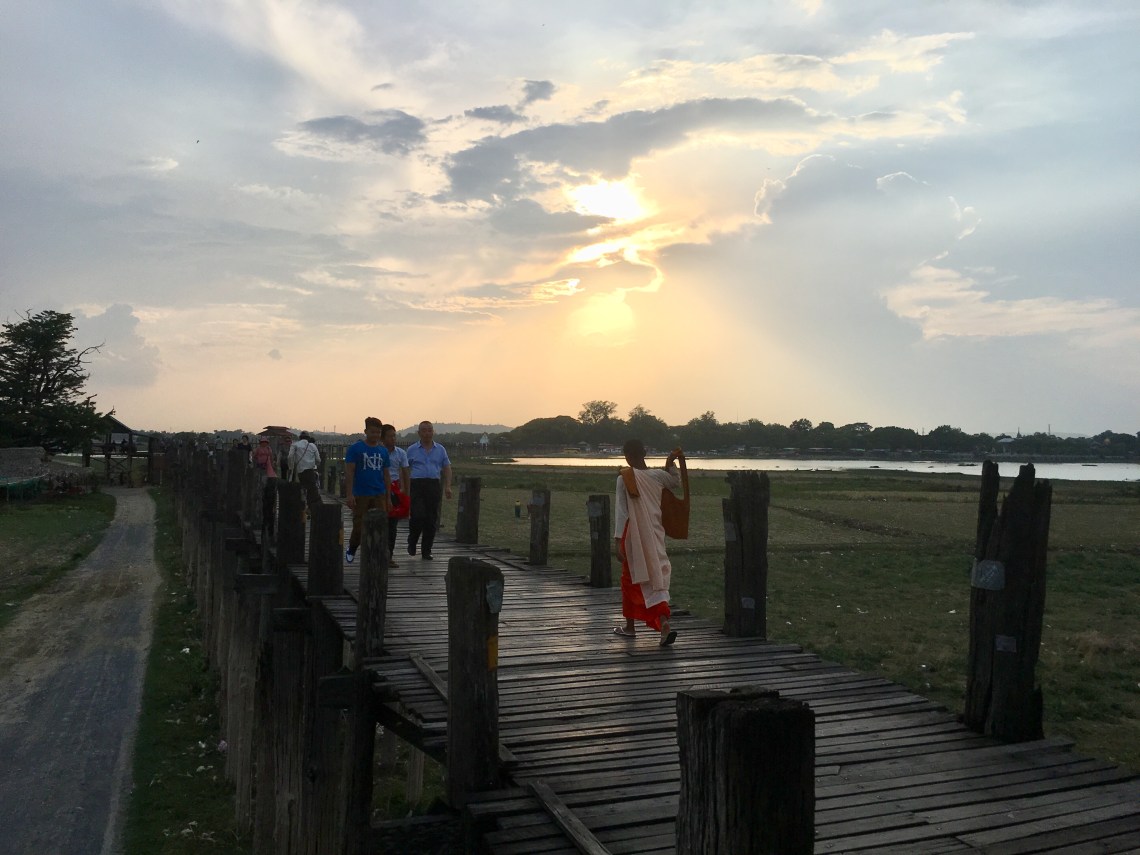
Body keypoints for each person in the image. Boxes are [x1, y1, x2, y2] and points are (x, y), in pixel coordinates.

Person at [613, 439, 680, 646]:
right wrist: (670, 462)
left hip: (632, 536)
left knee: (630, 580)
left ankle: (631, 627)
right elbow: (676, 481)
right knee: (655, 577)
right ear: (644, 453)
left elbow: (622, 513)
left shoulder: (625, 478)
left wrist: (617, 542)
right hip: (655, 533)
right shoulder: (658, 476)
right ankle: (663, 623)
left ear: (627, 456)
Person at [344, 417, 390, 564]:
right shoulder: (355, 449)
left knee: (379, 526)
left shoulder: (383, 451)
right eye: (372, 432)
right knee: (358, 526)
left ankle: (375, 555)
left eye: (378, 432)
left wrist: (388, 497)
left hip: (379, 493)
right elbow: (350, 472)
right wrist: (349, 494)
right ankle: (352, 547)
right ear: (365, 431)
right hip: (361, 494)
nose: (375, 435)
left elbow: (386, 474)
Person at [405, 421, 452, 561]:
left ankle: (426, 550)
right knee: (417, 516)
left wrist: (448, 486)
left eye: (429, 430)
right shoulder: (412, 449)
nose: (427, 433)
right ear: (419, 433)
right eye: (424, 430)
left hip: (433, 485)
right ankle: (412, 541)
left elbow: (447, 468)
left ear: (433, 432)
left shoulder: (440, 449)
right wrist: (405, 487)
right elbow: (406, 469)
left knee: (431, 519)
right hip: (417, 484)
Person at [381, 424, 411, 567]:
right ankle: (376, 553)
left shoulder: (401, 453)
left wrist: (405, 491)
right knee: (378, 523)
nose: (393, 439)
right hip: (379, 490)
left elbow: (405, 472)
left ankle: (389, 555)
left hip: (394, 491)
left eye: (394, 436)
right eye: (389, 436)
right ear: (383, 438)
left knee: (392, 526)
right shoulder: (378, 452)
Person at [287, 431, 323, 508]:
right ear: (308, 438)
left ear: (300, 438)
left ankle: (300, 508)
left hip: (299, 472)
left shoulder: (295, 444)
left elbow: (290, 457)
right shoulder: (313, 446)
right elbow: (318, 460)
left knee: (299, 489)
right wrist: (314, 464)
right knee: (312, 491)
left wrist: (291, 467)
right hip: (310, 471)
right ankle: (311, 508)